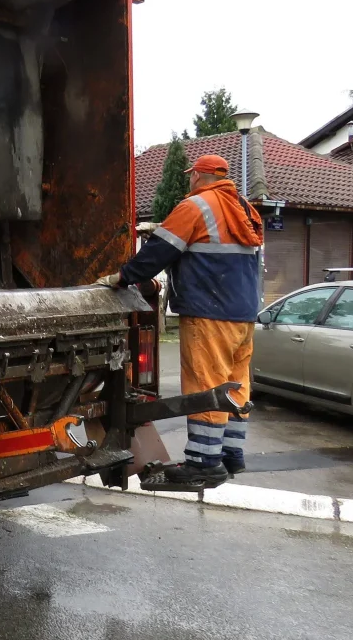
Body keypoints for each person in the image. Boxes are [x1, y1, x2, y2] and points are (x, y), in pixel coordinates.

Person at [98, 154, 262, 486]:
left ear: (198, 176)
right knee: (235, 383)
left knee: (206, 385)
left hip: (209, 314)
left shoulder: (196, 206)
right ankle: (231, 454)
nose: (189, 180)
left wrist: (122, 277)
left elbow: (159, 251)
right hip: (244, 316)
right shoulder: (245, 208)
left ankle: (203, 463)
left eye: (191, 175)